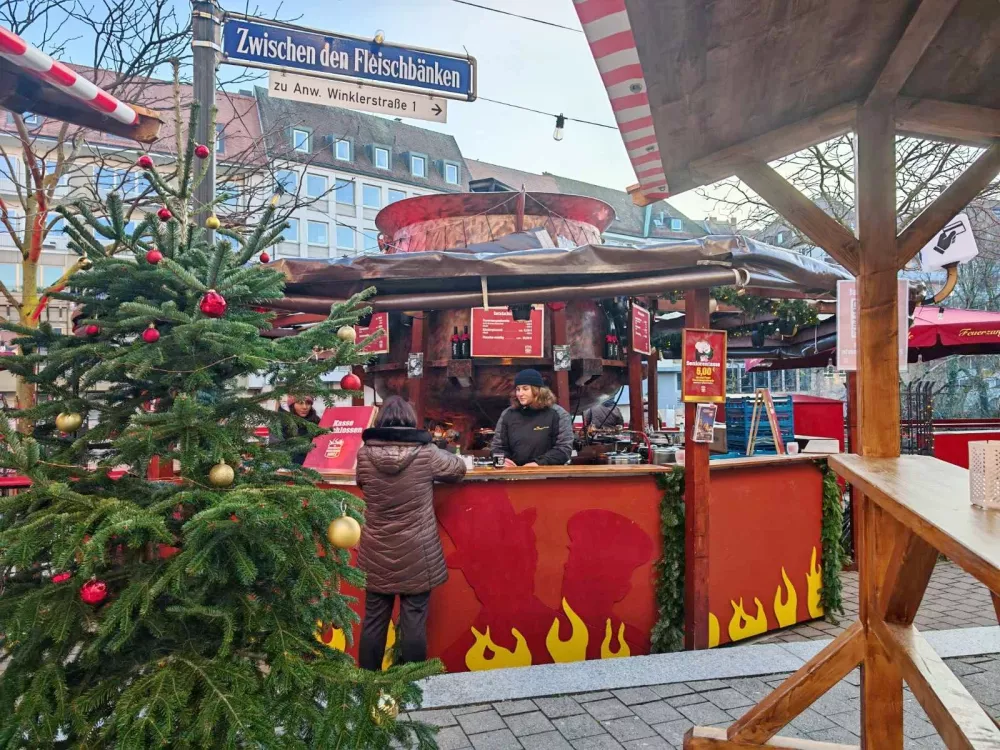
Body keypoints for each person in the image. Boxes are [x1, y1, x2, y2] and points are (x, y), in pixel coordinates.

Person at [355, 395, 466, 671]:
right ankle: (413, 686)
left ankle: (367, 684)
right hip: (418, 550)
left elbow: (361, 483)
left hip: (376, 548)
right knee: (414, 618)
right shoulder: (426, 453)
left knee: (374, 619)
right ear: (409, 420)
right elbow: (458, 469)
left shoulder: (365, 453)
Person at [490, 368, 573, 467]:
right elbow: (497, 447)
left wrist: (538, 464)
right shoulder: (508, 414)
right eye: (518, 389)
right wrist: (502, 461)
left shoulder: (558, 414)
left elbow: (564, 449)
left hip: (547, 476)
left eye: (525, 389)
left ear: (538, 390)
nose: (520, 394)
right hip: (514, 476)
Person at [282, 395, 321, 465]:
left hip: (316, 466)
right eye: (300, 403)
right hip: (291, 468)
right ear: (292, 405)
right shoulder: (283, 423)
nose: (304, 407)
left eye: (308, 403)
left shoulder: (318, 422)